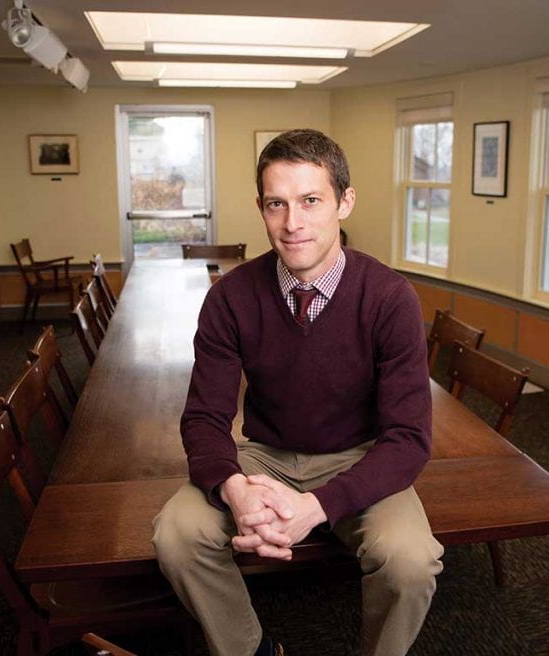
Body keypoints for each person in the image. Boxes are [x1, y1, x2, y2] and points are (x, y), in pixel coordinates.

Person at [152, 129, 443, 656]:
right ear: (260, 208)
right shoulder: (230, 298)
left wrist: (317, 507)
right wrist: (234, 488)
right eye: (276, 204)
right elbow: (203, 420)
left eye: (311, 200)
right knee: (176, 534)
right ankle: (252, 650)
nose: (293, 223)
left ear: (344, 202)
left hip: (360, 455)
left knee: (410, 559)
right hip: (263, 457)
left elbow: (408, 439)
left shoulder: (390, 299)